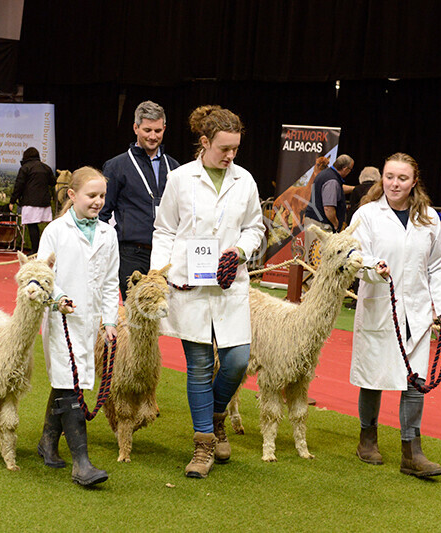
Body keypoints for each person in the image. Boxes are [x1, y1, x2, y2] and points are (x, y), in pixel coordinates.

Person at [150, 105, 265, 479]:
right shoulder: (180, 178)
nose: (230, 156)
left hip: (230, 284)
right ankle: (203, 444)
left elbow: (255, 228)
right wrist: (158, 273)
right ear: (204, 142)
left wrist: (241, 250)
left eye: (235, 149)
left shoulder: (245, 181)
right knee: (199, 365)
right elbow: (165, 229)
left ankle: (216, 416)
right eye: (224, 148)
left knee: (237, 360)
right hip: (190, 284)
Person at [349, 152, 441, 478]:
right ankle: (367, 438)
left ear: (414, 182)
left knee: (415, 381)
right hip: (379, 306)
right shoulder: (367, 214)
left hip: (418, 313)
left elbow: (437, 266)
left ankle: (412, 451)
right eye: (390, 176)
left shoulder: (430, 219)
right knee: (373, 377)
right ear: (382, 177)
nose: (395, 184)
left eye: (402, 178)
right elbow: (354, 254)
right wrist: (371, 267)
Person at [35, 166, 119, 487]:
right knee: (70, 383)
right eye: (91, 195)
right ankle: (81, 464)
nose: (98, 202)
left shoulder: (108, 234)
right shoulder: (55, 231)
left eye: (102, 196)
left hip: (90, 322)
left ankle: (46, 442)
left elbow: (111, 282)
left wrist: (109, 320)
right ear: (72, 195)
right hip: (61, 320)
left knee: (67, 381)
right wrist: (59, 297)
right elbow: (43, 272)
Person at [100, 100, 180, 301]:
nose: (153, 136)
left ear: (164, 129)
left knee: (167, 315)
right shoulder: (116, 166)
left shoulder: (175, 167)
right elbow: (103, 213)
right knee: (134, 316)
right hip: (131, 253)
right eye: (147, 130)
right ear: (135, 128)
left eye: (157, 130)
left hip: (168, 253)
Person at [9, 147, 56, 253]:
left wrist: (12, 201)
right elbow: (53, 182)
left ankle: (35, 250)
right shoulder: (46, 168)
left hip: (30, 202)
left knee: (32, 226)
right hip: (44, 202)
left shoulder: (25, 168)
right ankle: (45, 249)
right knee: (45, 227)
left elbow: (19, 186)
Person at [304, 154, 354, 233]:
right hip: (320, 226)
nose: (349, 172)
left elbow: (338, 189)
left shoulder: (327, 174)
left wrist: (355, 189)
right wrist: (336, 224)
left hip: (314, 222)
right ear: (345, 169)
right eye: (350, 170)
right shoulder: (332, 181)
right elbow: (328, 208)